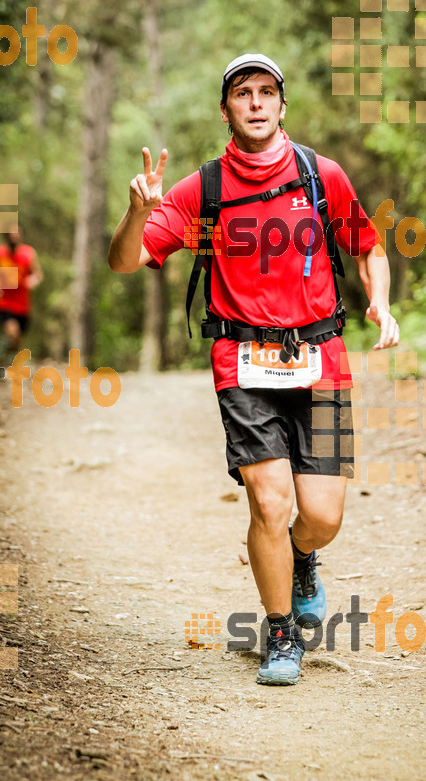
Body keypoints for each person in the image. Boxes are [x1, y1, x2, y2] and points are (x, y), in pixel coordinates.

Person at [109, 53, 399, 686]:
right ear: (227, 109)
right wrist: (138, 211)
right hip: (240, 365)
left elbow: (369, 244)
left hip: (320, 361)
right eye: (244, 94)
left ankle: (302, 561)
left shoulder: (322, 176)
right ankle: (280, 635)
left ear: (283, 105)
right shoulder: (201, 189)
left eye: (268, 92)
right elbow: (125, 262)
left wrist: (379, 299)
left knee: (321, 516)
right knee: (270, 503)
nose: (257, 103)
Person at [0, 225, 43, 355]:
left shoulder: (28, 253)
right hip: (5, 303)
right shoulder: (1, 253)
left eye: (17, 234)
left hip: (22, 304)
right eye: (11, 234)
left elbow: (38, 274)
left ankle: (7, 359)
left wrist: (33, 280)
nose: (14, 236)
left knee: (17, 340)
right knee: (13, 332)